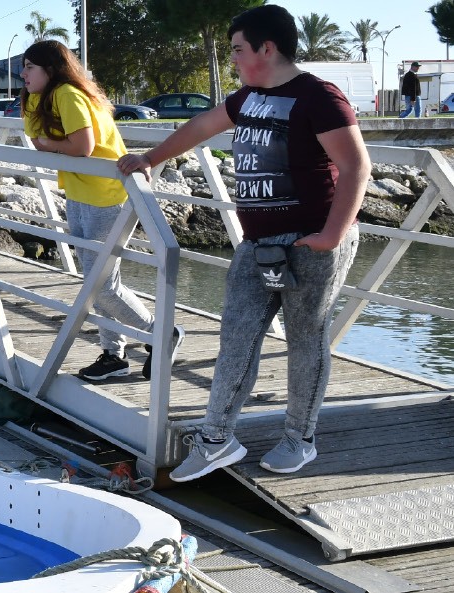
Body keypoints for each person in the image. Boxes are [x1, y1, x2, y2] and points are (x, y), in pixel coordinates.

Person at [117, 4, 367, 481]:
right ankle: (216, 439)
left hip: (312, 240)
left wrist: (332, 235)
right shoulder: (248, 97)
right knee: (236, 334)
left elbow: (356, 167)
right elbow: (199, 129)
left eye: (237, 49)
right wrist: (149, 157)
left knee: (304, 340)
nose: (232, 58)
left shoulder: (320, 97)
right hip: (258, 243)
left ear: (266, 48)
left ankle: (299, 438)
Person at [19, 39, 186, 382]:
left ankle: (161, 333)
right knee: (97, 280)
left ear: (51, 70)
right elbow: (38, 137)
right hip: (82, 191)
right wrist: (47, 138)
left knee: (102, 284)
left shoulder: (67, 93)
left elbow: (82, 146)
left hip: (106, 194)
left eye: (30, 67)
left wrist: (52, 145)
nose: (23, 73)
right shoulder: (40, 97)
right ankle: (114, 354)